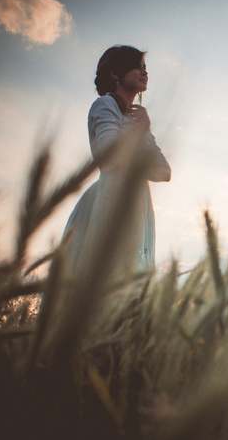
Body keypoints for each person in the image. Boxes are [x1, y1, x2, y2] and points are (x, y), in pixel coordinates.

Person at [63, 45, 171, 275]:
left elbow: (164, 172)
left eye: (146, 68)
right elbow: (110, 156)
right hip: (110, 197)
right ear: (115, 74)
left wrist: (143, 129)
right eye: (138, 67)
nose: (145, 73)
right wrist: (140, 132)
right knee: (109, 274)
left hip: (138, 202)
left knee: (132, 279)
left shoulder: (140, 119)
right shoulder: (105, 105)